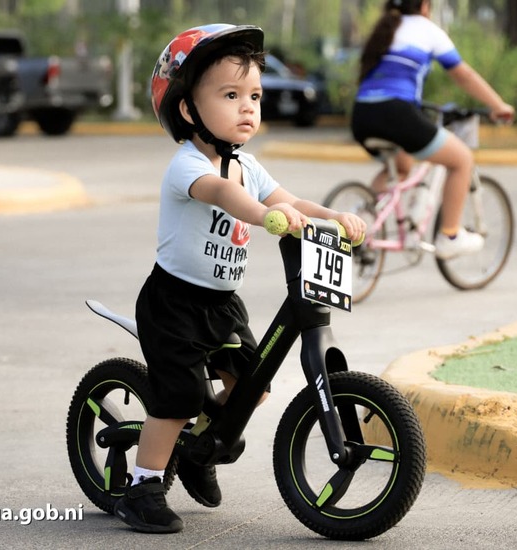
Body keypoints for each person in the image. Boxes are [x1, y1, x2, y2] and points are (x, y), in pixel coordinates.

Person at [113, 23, 366, 534]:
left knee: (254, 385)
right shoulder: (187, 166)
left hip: (222, 304)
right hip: (174, 303)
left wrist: (331, 217)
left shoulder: (248, 165)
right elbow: (224, 196)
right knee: (178, 397)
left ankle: (200, 444)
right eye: (230, 95)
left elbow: (288, 201)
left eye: (254, 94)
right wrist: (262, 216)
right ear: (189, 110)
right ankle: (142, 487)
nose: (248, 106)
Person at [351, 0, 515, 260]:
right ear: (425, 5)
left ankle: (356, 225)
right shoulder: (428, 30)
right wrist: (498, 105)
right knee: (462, 160)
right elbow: (464, 75)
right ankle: (449, 235)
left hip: (361, 114)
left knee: (402, 167)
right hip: (397, 113)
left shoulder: (386, 29)